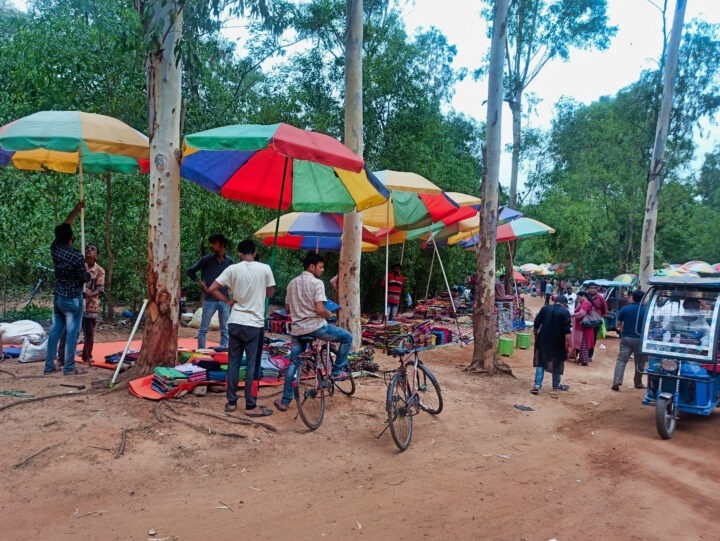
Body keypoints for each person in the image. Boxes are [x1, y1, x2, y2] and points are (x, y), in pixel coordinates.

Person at [275, 252, 353, 412]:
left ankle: (284, 401)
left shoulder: (291, 283)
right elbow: (319, 309)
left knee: (294, 363)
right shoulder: (317, 283)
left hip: (297, 329)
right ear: (311, 267)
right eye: (320, 267)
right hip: (317, 327)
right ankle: (337, 372)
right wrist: (329, 314)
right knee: (347, 337)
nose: (322, 270)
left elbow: (288, 308)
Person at [208, 240, 275, 417]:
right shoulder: (265, 268)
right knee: (253, 364)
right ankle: (251, 405)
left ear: (239, 253)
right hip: (254, 324)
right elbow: (270, 293)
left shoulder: (232, 269)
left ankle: (231, 402)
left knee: (234, 362)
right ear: (255, 252)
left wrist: (228, 301)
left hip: (235, 321)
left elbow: (212, 288)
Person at [44, 202, 91, 376]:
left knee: (56, 331)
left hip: (58, 297)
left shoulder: (55, 248)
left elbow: (65, 226)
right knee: (72, 333)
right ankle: (69, 367)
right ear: (71, 237)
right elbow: (83, 277)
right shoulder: (77, 257)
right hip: (72, 299)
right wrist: (88, 273)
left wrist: (77, 210)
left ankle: (49, 365)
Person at [58, 243, 105, 364]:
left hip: (90, 306)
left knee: (89, 333)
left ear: (97, 256)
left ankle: (87, 355)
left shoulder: (100, 271)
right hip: (74, 303)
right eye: (87, 249)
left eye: (92, 249)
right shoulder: (77, 267)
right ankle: (61, 358)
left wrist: (88, 295)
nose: (89, 250)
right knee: (67, 331)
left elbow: (100, 288)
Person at [187, 233, 234, 349]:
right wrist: (201, 283)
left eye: (214, 243)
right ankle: (201, 352)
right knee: (203, 329)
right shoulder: (206, 259)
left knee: (225, 329)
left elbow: (235, 278)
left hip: (224, 299)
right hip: (209, 299)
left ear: (222, 244)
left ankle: (223, 351)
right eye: (211, 243)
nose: (211, 246)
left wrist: (232, 290)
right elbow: (190, 271)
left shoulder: (230, 262)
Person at [531, 294, 573, 394]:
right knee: (557, 361)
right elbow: (567, 332)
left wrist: (536, 335)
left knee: (540, 361)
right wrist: (570, 345)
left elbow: (536, 324)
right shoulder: (565, 312)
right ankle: (556, 385)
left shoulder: (545, 309)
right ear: (564, 304)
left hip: (543, 339)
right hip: (557, 341)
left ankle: (537, 385)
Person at [612, 290, 647, 391]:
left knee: (621, 360)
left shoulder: (625, 309)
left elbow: (619, 323)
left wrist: (622, 331)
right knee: (640, 363)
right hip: (640, 340)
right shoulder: (646, 310)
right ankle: (638, 383)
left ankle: (617, 382)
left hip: (626, 338)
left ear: (632, 297)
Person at [572, 291, 596, 366]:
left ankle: (584, 361)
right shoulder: (587, 303)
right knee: (583, 343)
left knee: (583, 343)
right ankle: (582, 359)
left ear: (583, 296)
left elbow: (581, 314)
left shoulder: (585, 303)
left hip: (583, 328)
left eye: (579, 297)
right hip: (584, 327)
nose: (578, 299)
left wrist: (572, 315)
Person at [587, 284, 608, 361]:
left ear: (597, 289)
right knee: (584, 338)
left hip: (595, 322)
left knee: (593, 338)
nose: (592, 289)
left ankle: (590, 355)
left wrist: (598, 317)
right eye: (591, 288)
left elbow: (604, 310)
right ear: (588, 289)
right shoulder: (585, 297)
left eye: (594, 288)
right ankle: (583, 355)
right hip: (585, 321)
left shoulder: (600, 298)